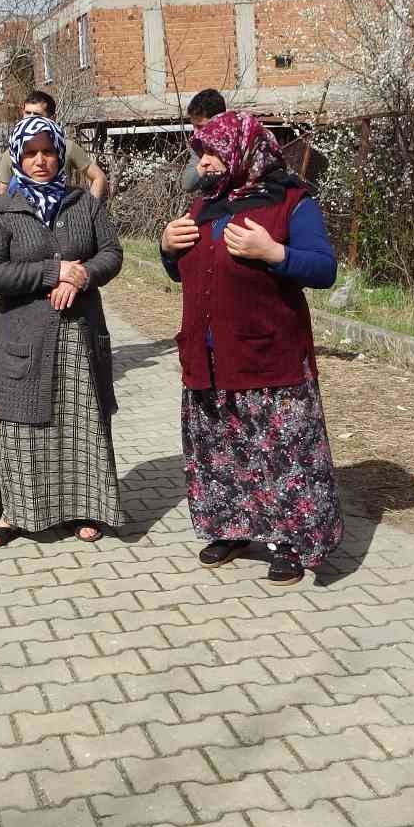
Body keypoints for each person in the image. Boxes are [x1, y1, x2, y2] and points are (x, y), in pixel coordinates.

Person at [159, 110, 343, 585]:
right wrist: (167, 249)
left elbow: (324, 269)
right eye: (200, 154)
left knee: (280, 455)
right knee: (221, 450)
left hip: (269, 355)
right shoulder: (203, 208)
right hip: (209, 358)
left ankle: (289, 541)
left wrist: (274, 254)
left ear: (244, 150)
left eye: (212, 153)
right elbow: (188, 273)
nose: (203, 164)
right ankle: (231, 526)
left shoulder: (291, 202)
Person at [0, 115, 124, 549]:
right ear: (17, 157)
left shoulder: (84, 204)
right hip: (27, 339)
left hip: (79, 335)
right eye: (30, 153)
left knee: (80, 423)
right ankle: (14, 515)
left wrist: (80, 277)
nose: (41, 161)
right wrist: (51, 272)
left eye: (49, 152)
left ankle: (87, 508)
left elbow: (111, 254)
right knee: (25, 425)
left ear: (61, 155)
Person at [0, 90, 108, 199]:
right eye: (27, 113)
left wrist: (87, 211)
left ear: (52, 118)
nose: (31, 118)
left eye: (37, 114)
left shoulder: (67, 147)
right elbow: (2, 193)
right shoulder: (12, 152)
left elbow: (99, 178)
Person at [180, 89, 227, 193]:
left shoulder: (241, 142)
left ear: (219, 121)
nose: (196, 133)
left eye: (201, 127)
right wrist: (204, 163)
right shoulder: (199, 144)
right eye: (193, 126)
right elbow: (187, 184)